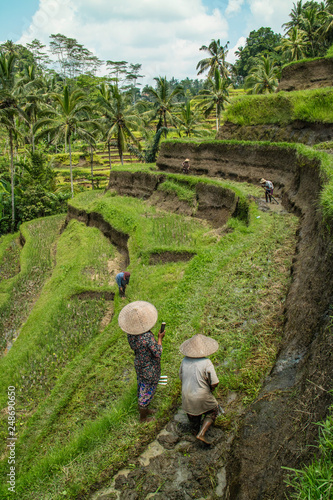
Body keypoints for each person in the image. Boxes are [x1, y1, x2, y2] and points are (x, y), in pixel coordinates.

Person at [118, 301, 165, 422]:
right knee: (147, 390)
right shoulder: (147, 337)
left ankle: (145, 409)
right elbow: (158, 353)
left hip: (139, 363)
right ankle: (143, 417)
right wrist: (159, 339)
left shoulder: (130, 334)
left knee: (142, 384)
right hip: (149, 367)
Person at [179, 334, 219, 445]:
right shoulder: (206, 363)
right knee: (214, 410)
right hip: (200, 396)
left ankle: (195, 431)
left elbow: (181, 377)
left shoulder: (184, 361)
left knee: (193, 417)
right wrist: (210, 389)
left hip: (186, 396)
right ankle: (201, 434)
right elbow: (215, 382)